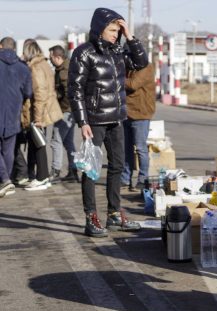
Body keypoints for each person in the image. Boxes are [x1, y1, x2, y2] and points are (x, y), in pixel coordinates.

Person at [68, 7, 148, 237]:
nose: (116, 34)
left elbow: (141, 62)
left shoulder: (118, 52)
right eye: (112, 29)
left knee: (117, 166)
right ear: (99, 29)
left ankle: (114, 214)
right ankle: (91, 217)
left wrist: (129, 34)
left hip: (117, 118)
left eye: (117, 30)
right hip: (94, 120)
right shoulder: (84, 53)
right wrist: (82, 121)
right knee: (91, 169)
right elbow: (75, 90)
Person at [22, 39, 62, 191]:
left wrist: (37, 118)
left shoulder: (36, 67)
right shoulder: (44, 64)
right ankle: (42, 177)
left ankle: (42, 177)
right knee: (39, 143)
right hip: (46, 108)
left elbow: (39, 93)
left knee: (39, 144)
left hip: (40, 111)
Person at [0, 36, 32, 197]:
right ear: (14, 48)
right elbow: (28, 93)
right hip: (13, 113)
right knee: (8, 150)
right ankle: (5, 181)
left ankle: (4, 179)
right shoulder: (23, 68)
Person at [121, 62, 156, 190]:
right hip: (126, 112)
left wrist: (117, 76)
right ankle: (125, 179)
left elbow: (132, 84)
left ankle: (143, 179)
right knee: (126, 149)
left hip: (141, 113)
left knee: (140, 148)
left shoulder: (145, 67)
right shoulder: (128, 67)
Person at [49, 45, 79, 183]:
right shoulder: (63, 68)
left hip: (65, 111)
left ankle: (56, 171)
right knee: (68, 142)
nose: (50, 61)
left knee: (56, 140)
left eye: (51, 58)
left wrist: (61, 109)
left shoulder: (63, 72)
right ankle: (73, 171)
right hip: (70, 111)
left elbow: (68, 93)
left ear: (58, 57)